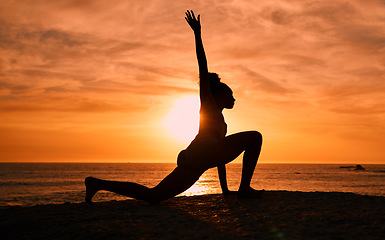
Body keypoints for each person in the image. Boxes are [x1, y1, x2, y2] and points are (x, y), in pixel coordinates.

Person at [84, 10, 264, 204]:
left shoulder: (222, 123)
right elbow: (202, 67)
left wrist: (225, 189)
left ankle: (97, 183)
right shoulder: (208, 104)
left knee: (153, 196)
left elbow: (220, 158)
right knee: (255, 137)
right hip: (200, 155)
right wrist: (197, 34)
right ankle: (244, 188)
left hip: (195, 161)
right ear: (219, 95)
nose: (234, 99)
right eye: (230, 95)